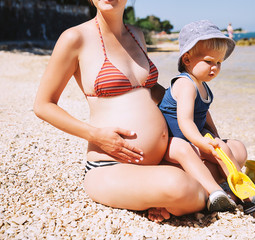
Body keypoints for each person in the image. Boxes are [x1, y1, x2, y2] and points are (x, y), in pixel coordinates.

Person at [33, 0, 209, 223]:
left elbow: (152, 90)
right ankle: (195, 196)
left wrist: (195, 114)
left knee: (235, 151)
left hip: (160, 157)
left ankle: (170, 198)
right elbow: (43, 105)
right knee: (181, 186)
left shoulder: (136, 34)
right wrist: (96, 136)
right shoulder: (75, 38)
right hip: (110, 166)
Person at [159, 20, 255, 214]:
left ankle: (244, 194)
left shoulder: (202, 85)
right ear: (187, 59)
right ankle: (217, 193)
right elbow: (185, 121)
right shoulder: (185, 84)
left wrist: (214, 135)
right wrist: (201, 141)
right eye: (208, 61)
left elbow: (204, 113)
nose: (214, 67)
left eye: (218, 63)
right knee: (189, 151)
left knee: (223, 147)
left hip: (191, 138)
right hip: (171, 142)